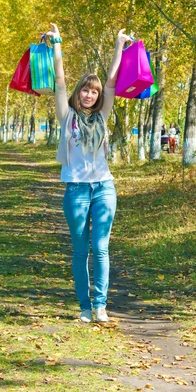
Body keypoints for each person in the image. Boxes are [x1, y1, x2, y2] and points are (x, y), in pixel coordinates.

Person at [46, 22, 131, 323]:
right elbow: (58, 80)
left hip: (104, 188)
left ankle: (100, 305)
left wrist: (119, 45)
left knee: (101, 247)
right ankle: (84, 306)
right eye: (85, 89)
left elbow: (111, 80)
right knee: (81, 250)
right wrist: (57, 42)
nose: (90, 94)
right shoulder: (66, 115)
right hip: (77, 191)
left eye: (93, 92)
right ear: (78, 92)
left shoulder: (102, 117)